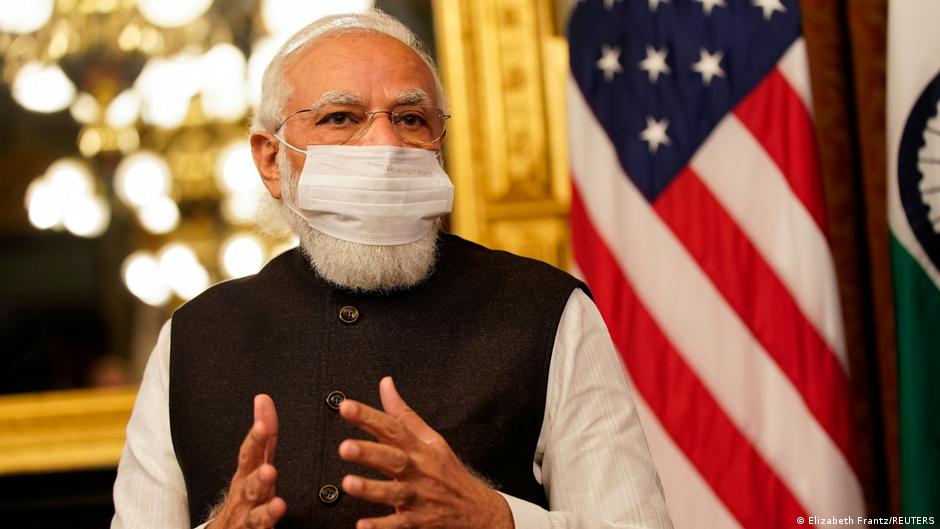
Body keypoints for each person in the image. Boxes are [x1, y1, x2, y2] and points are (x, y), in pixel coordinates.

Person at [111, 10, 672, 529]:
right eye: (340, 117)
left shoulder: (547, 311)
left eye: (410, 118)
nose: (384, 144)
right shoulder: (193, 336)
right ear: (271, 160)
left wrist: (496, 519)